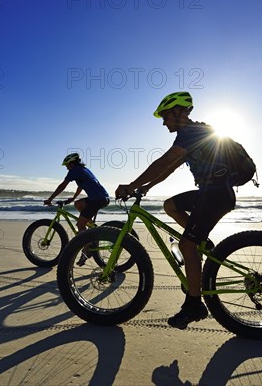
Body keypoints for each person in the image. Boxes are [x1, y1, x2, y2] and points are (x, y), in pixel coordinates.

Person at [115, 91, 236, 329]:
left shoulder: (190, 133)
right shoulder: (191, 135)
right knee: (170, 205)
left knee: (186, 246)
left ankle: (194, 305)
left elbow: (162, 161)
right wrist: (147, 186)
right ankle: (203, 243)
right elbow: (168, 168)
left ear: (179, 112)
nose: (163, 122)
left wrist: (131, 185)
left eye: (165, 116)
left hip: (215, 194)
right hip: (210, 193)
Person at [44, 152, 110, 266]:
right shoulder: (83, 170)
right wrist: (73, 198)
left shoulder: (74, 170)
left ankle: (86, 249)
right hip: (102, 198)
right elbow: (81, 185)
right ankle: (92, 228)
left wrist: (50, 199)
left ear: (72, 163)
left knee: (80, 225)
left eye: (67, 165)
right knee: (78, 204)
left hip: (97, 199)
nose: (66, 168)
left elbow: (62, 185)